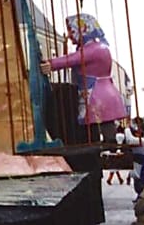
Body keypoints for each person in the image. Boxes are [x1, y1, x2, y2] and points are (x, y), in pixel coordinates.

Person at [40, 13, 128, 145]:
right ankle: (102, 142)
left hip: (97, 93)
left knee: (101, 119)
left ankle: (108, 143)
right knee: (95, 121)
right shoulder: (96, 48)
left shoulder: (95, 49)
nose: (69, 35)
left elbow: (72, 59)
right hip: (92, 91)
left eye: (72, 31)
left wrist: (52, 64)